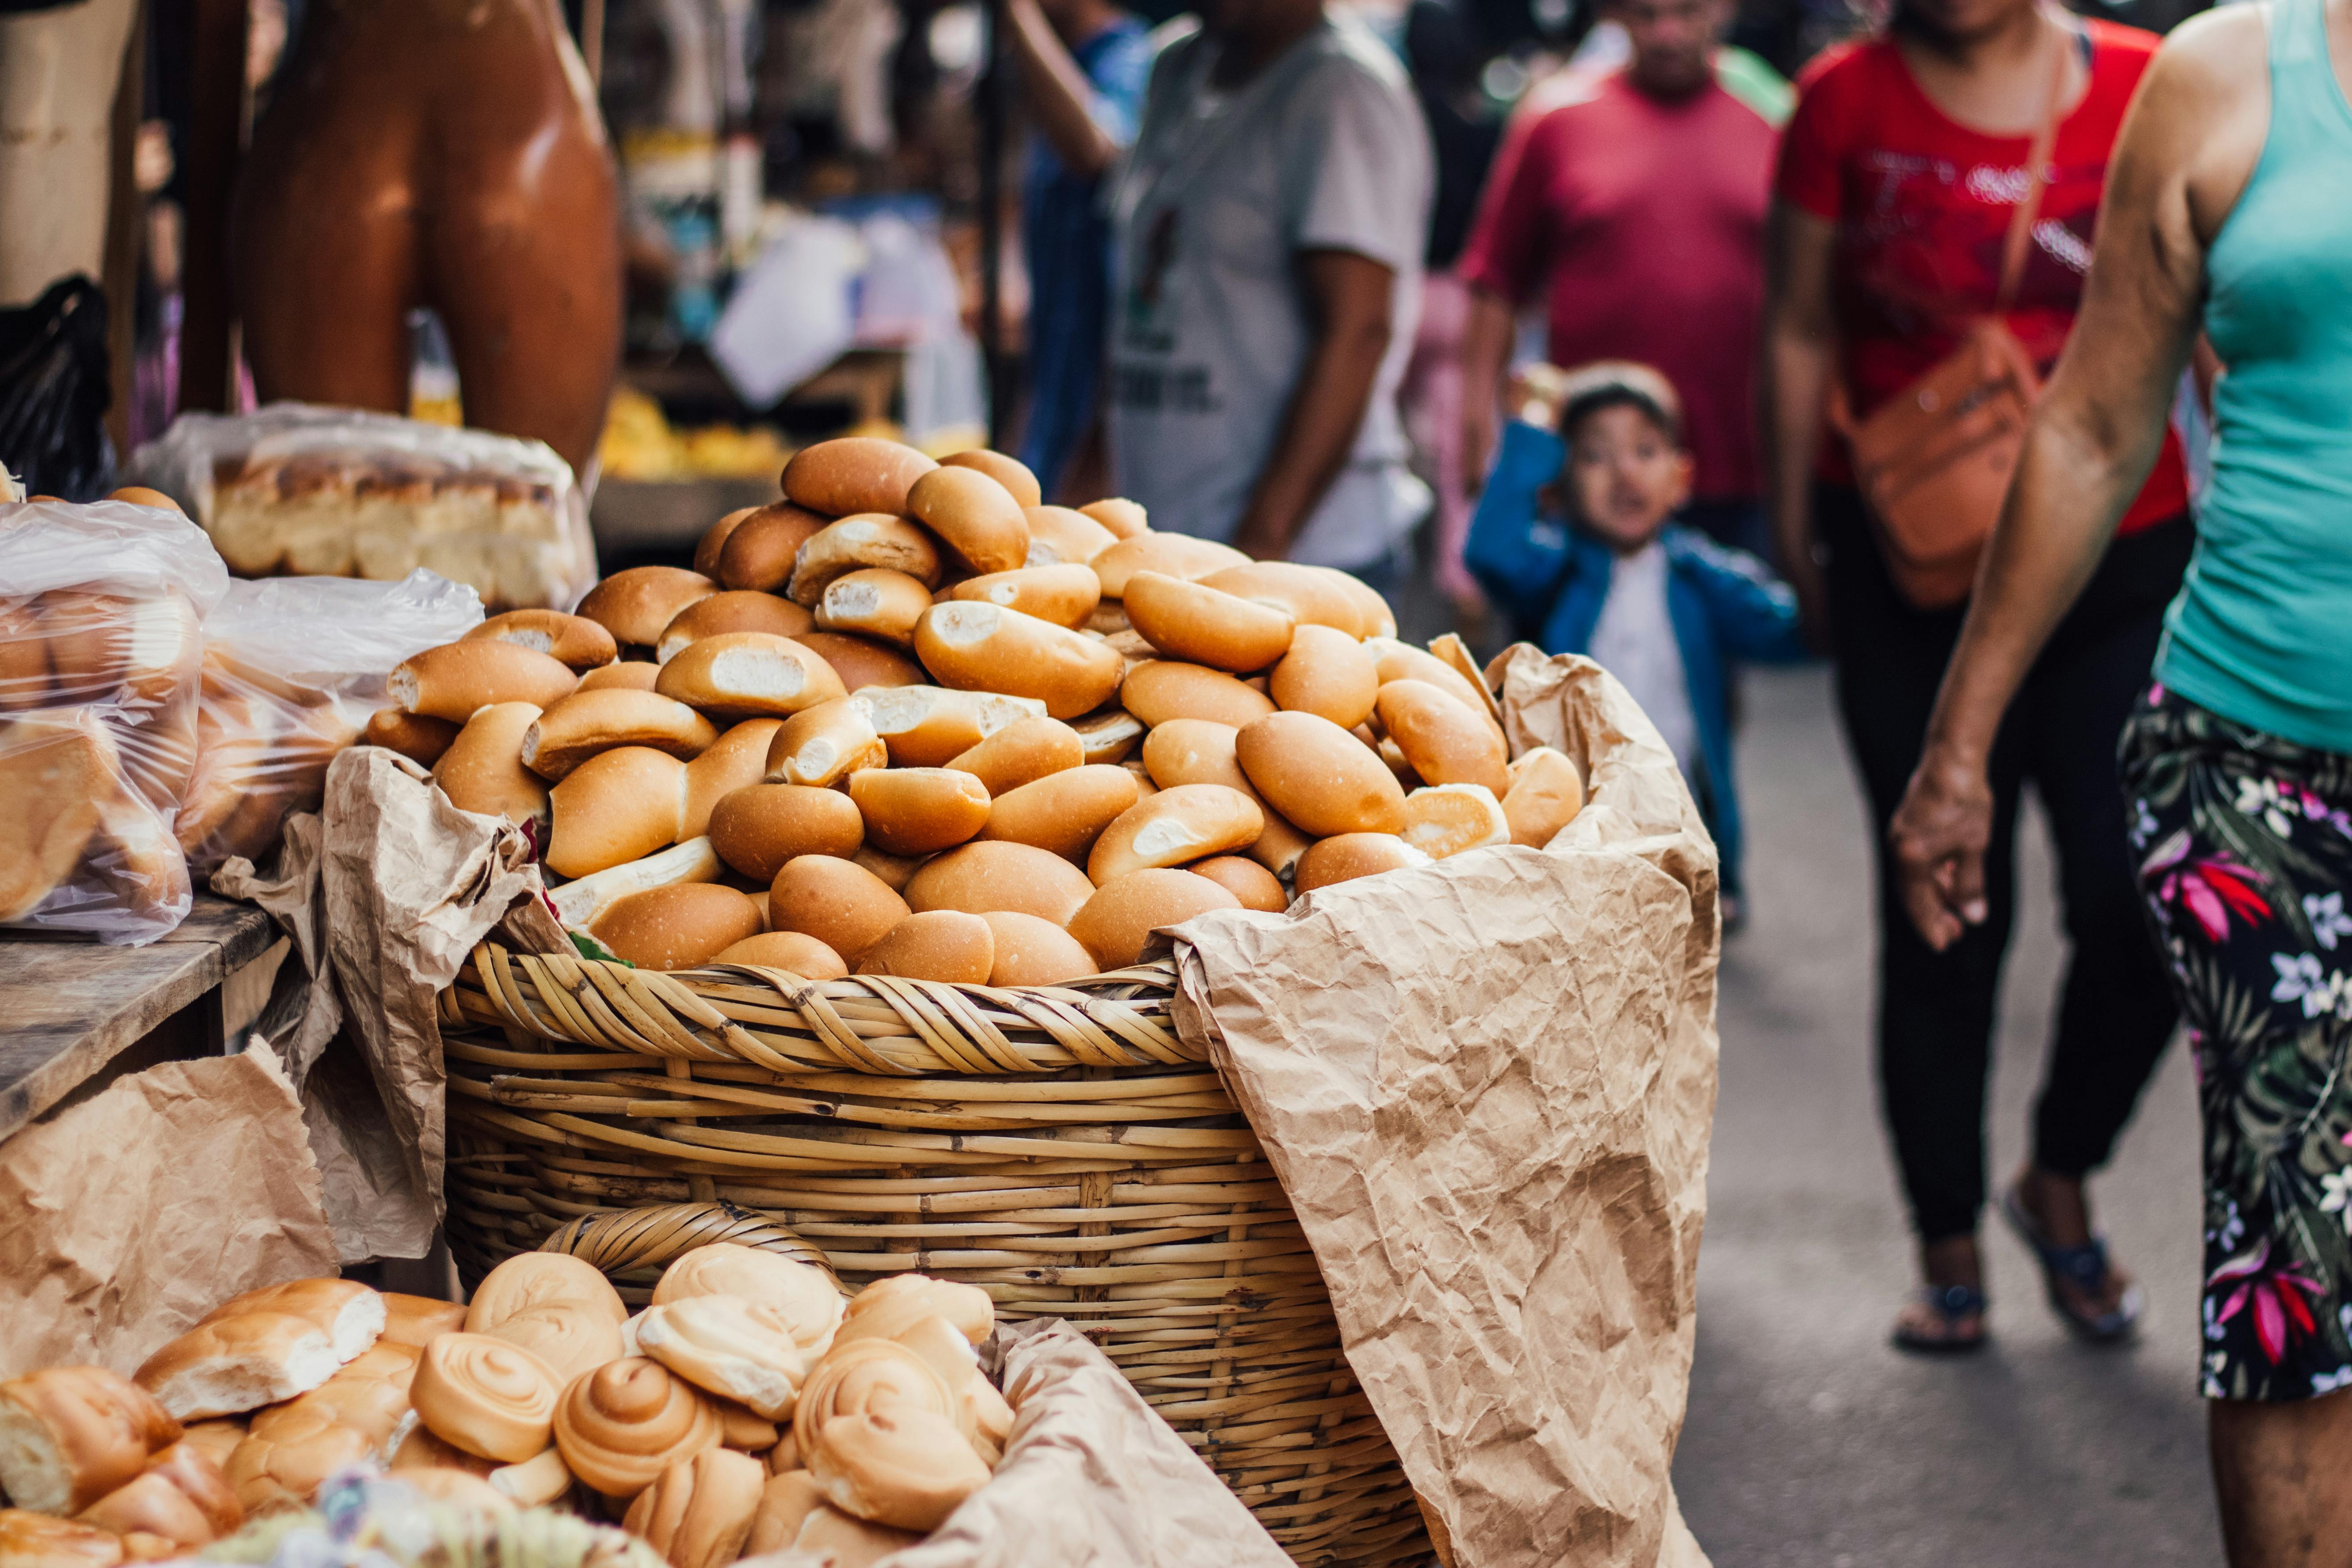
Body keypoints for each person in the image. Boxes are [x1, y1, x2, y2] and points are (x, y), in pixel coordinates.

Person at [1886, 0, 2352, 1552]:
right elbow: (2092, 424)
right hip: (2257, 770)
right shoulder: (2225, 75)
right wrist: (1957, 750)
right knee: (2296, 1255)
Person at [1760, 0, 2194, 1354]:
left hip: (2119, 559)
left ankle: (2055, 1173)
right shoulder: (1841, 101)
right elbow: (1795, 321)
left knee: (2141, 903)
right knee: (1944, 905)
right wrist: (1795, 531)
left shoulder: (2148, 84)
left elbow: (2222, 312)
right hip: (1906, 555)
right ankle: (1944, 1239)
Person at [1104, 0, 1434, 584]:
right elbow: (1137, 310)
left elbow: (1358, 330)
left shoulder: (1341, 90)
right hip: (1166, 544)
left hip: (1300, 562)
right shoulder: (1175, 67)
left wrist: (1258, 550)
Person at [1465, 362, 1806, 913]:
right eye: (1595, 456)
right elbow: (1490, 550)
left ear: (1681, 478)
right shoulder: (1554, 569)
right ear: (1557, 487)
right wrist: (1531, 432)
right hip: (1580, 819)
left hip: (1679, 812)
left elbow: (1789, 627)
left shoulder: (1699, 574)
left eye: (1646, 452)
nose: (1625, 474)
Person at [1457, 0, 1784, 562]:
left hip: (1738, 465)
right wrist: (1476, 427)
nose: (1665, 33)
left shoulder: (1775, 118)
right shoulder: (1557, 118)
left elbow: (1810, 303)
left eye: (1686, 12)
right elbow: (1497, 282)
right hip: (1588, 470)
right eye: (1645, 15)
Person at [1005, 0, 1151, 501]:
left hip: (1103, 399)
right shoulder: (1060, 67)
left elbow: (1097, 149)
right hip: (1055, 377)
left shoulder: (1131, 59)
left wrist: (1016, 17)